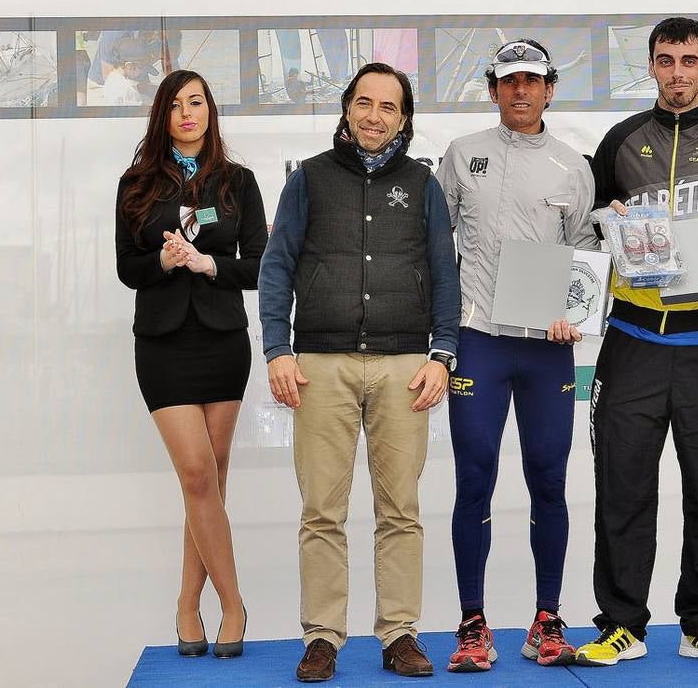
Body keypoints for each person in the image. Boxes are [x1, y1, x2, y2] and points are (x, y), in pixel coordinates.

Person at [258, 62, 461, 682]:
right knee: (322, 511)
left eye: (389, 107)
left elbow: (445, 274)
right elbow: (277, 267)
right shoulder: (311, 180)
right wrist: (276, 349)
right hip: (320, 365)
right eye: (364, 103)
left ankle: (399, 633)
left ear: (404, 119)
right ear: (347, 108)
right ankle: (322, 636)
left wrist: (442, 353)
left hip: (405, 367)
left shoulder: (424, 185)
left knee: (400, 509)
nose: (375, 116)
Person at [578, 17, 698, 667]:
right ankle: (621, 625)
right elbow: (587, 230)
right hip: (633, 340)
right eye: (666, 60)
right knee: (623, 490)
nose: (678, 72)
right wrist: (610, 222)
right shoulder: (620, 141)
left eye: (690, 60)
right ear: (651, 67)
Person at [435, 39, 598, 672]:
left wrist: (575, 313)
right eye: (509, 82)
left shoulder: (571, 165)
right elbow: (434, 245)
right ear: (494, 89)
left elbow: (584, 257)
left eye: (532, 81)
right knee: (473, 479)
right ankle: (472, 622)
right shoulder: (462, 154)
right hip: (477, 341)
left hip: (547, 350)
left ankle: (547, 619)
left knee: (549, 481)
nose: (521, 92)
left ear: (550, 88)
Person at [114, 69, 266, 660]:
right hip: (162, 344)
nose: (187, 113)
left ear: (210, 111)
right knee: (198, 475)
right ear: (162, 114)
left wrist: (207, 265)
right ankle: (232, 604)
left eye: (196, 102)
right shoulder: (137, 184)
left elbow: (257, 263)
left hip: (223, 341)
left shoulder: (238, 182)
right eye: (175, 105)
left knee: (209, 479)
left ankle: (185, 602)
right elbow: (128, 267)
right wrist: (166, 260)